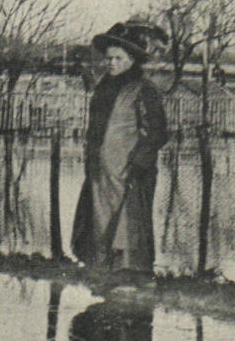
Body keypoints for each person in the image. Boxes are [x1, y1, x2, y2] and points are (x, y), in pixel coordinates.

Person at [71, 21, 169, 281]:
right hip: (104, 171)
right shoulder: (104, 88)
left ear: (132, 60)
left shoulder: (143, 89)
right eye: (109, 58)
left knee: (128, 222)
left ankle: (130, 272)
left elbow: (157, 132)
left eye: (118, 58)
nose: (111, 63)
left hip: (129, 171)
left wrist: (139, 162)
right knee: (100, 217)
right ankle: (103, 269)